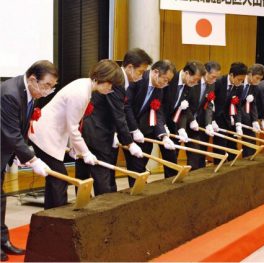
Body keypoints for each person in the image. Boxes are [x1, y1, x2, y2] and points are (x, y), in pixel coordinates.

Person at [28, 59, 123, 209]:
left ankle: (50, 217)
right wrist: (85, 153)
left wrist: (75, 148)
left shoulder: (84, 86)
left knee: (55, 179)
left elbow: (74, 124)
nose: (111, 88)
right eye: (111, 84)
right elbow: (73, 128)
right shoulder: (81, 93)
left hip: (50, 134)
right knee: (59, 179)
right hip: (44, 135)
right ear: (104, 79)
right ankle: (58, 218)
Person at [1, 60, 58, 261]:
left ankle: (3, 241)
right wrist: (32, 159)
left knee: (0, 198)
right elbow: (10, 132)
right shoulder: (10, 93)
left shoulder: (30, 92)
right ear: (33, 79)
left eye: (52, 87)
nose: (48, 91)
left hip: (5, 150)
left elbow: (22, 127)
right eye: (46, 86)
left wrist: (19, 154)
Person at [75, 48, 152, 195]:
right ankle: (96, 211)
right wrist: (129, 143)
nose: (141, 77)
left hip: (92, 129)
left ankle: (82, 210)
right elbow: (119, 114)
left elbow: (114, 111)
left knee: (84, 175)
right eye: (140, 72)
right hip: (96, 132)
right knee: (101, 178)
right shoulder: (118, 80)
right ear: (129, 68)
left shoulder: (120, 79)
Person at [124, 60, 177, 187]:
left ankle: (140, 191)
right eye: (164, 79)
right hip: (126, 127)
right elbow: (126, 107)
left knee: (141, 165)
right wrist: (134, 129)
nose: (166, 84)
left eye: (168, 81)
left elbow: (157, 111)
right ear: (155, 72)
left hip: (146, 131)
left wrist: (163, 135)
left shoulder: (160, 88)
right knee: (136, 167)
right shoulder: (137, 79)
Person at [162, 60, 205, 158]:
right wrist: (162, 125)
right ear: (186, 73)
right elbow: (160, 104)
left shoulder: (189, 85)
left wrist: (182, 128)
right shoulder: (170, 79)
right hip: (159, 122)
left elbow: (184, 108)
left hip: (173, 125)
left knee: (172, 158)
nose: (195, 83)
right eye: (195, 79)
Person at [185, 61, 221, 169]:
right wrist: (191, 119)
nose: (214, 80)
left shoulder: (211, 84)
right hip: (184, 120)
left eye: (216, 78)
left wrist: (209, 123)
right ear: (205, 72)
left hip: (198, 123)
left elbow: (209, 104)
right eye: (213, 77)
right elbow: (184, 103)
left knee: (197, 155)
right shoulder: (192, 80)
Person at [213, 62, 248, 162]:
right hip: (217, 121)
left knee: (233, 148)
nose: (240, 82)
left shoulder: (240, 87)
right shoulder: (219, 82)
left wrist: (238, 124)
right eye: (239, 79)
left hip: (230, 120)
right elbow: (211, 103)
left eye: (242, 80)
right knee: (220, 149)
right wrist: (212, 120)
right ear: (231, 75)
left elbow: (238, 107)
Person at [239, 64, 264, 157]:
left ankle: (250, 159)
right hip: (232, 114)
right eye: (257, 78)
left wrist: (255, 120)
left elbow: (253, 104)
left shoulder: (255, 86)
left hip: (245, 114)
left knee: (251, 138)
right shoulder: (239, 80)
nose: (258, 81)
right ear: (250, 74)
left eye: (260, 79)